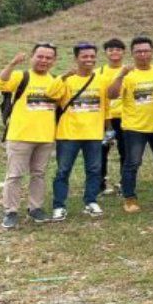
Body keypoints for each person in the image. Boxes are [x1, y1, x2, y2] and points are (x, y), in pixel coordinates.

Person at [0, 43, 66, 229]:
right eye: (40, 56)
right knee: (15, 175)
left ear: (54, 60)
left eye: (48, 58)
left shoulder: (56, 80)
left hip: (45, 137)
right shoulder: (21, 76)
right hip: (20, 135)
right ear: (33, 57)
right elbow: (0, 83)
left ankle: (35, 208)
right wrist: (12, 64)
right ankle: (10, 211)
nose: (44, 60)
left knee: (39, 174)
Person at [107, 37, 153, 213]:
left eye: (146, 51)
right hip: (135, 128)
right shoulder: (126, 73)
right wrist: (120, 75)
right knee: (132, 163)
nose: (143, 55)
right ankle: (130, 198)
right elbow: (111, 95)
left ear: (152, 52)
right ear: (132, 54)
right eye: (138, 52)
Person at [50, 42, 110, 221]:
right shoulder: (67, 79)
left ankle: (91, 201)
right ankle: (59, 206)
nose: (89, 60)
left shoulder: (101, 79)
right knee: (63, 171)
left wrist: (108, 130)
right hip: (68, 134)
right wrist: (62, 77)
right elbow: (51, 94)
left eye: (92, 56)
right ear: (76, 58)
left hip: (93, 133)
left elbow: (105, 106)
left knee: (94, 170)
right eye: (85, 56)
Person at [98, 37, 126, 195]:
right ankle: (100, 184)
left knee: (125, 152)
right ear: (106, 53)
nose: (114, 52)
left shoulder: (130, 71)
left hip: (125, 117)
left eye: (118, 49)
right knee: (101, 152)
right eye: (110, 50)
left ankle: (124, 183)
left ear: (123, 52)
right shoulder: (99, 72)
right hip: (105, 119)